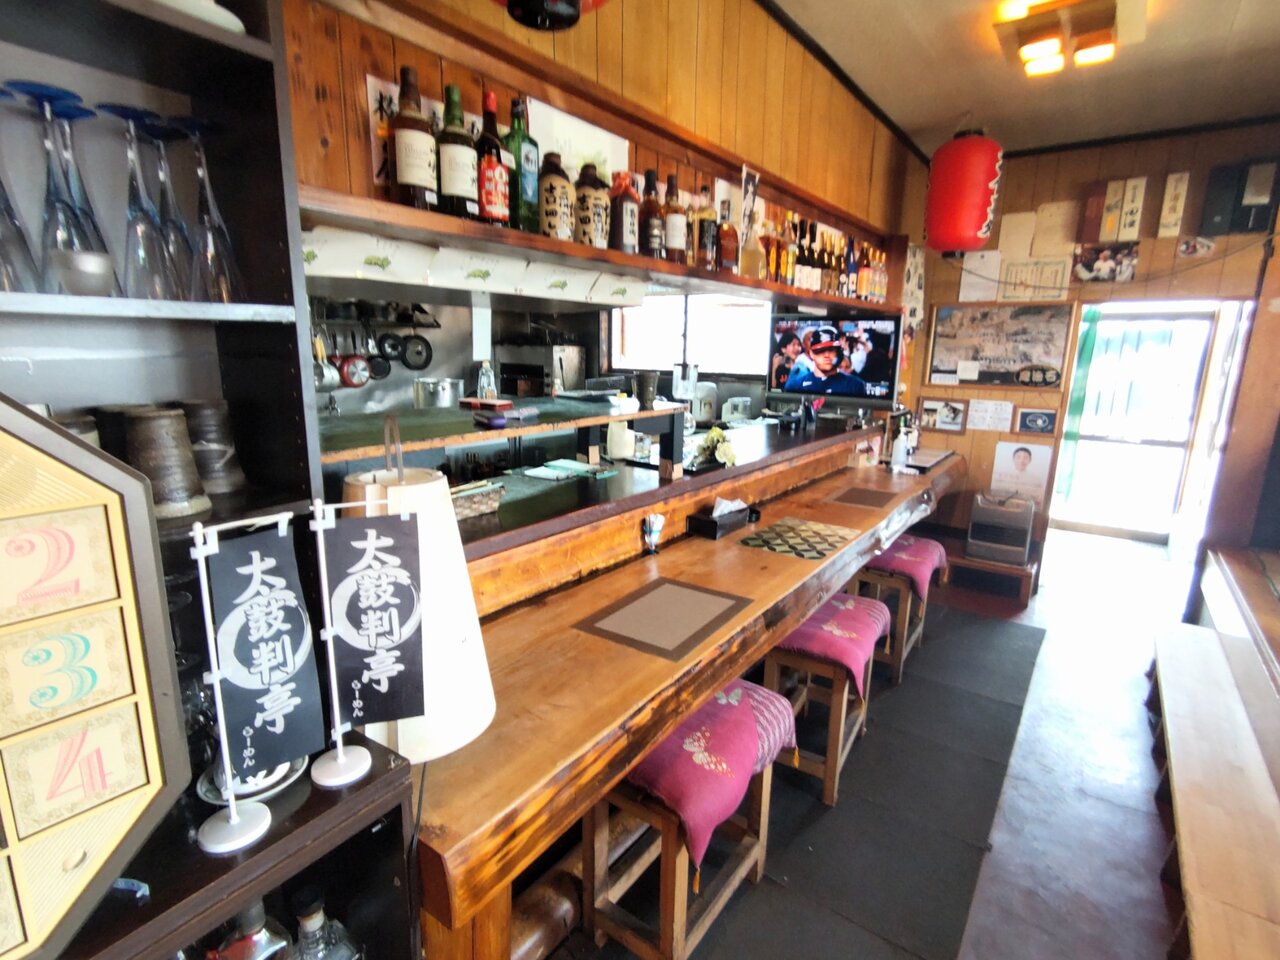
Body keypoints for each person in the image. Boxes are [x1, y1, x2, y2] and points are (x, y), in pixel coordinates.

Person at [783, 326, 867, 397]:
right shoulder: (795, 386)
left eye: (831, 349)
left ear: (838, 352)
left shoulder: (855, 385)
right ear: (811, 353)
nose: (826, 355)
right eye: (821, 350)